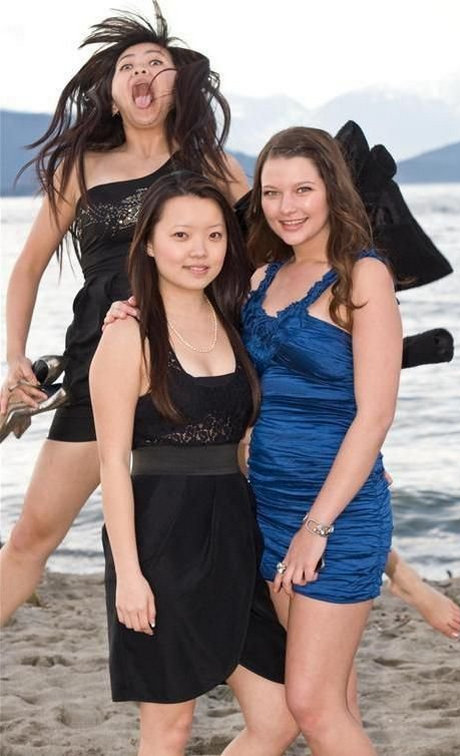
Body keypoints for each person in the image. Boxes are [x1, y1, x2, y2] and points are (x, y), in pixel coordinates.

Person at [0, 5, 248, 626]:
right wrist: (15, 356)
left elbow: (265, 246)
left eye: (156, 63)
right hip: (101, 363)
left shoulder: (210, 163)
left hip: (196, 366)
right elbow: (27, 268)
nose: (141, 73)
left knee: (243, 517)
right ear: (111, 95)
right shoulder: (79, 168)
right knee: (31, 537)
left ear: (177, 87)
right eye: (127, 66)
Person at [89, 170, 298, 756]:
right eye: (181, 235)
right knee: (169, 727)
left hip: (236, 534)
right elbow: (111, 465)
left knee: (279, 718)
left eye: (214, 235)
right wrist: (130, 575)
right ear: (151, 244)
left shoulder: (235, 319)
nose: (199, 251)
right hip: (161, 540)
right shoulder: (128, 335)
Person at [239, 126, 419, 753]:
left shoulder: (364, 276)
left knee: (312, 705)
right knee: (335, 701)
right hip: (269, 506)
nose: (285, 207)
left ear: (331, 191)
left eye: (302, 190)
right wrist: (127, 310)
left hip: (336, 518)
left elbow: (375, 415)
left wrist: (316, 527)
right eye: (271, 192)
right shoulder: (261, 277)